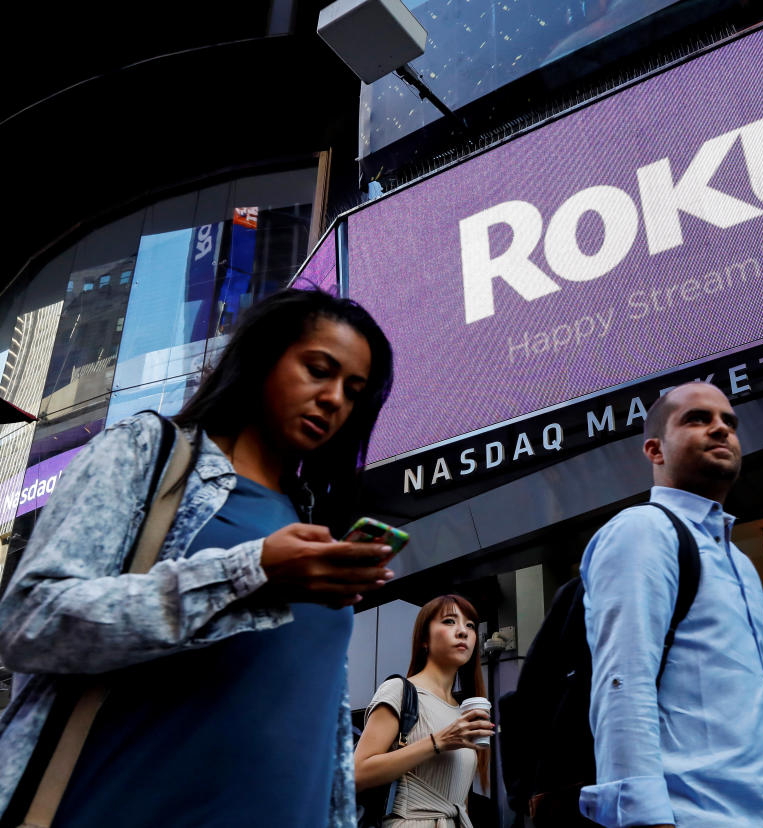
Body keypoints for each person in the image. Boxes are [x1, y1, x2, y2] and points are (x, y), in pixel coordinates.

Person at [0, 288, 395, 828]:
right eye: (318, 370)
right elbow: (28, 620)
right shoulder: (148, 453)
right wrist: (247, 571)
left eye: (354, 391)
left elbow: (319, 738)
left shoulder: (308, 527)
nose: (334, 400)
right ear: (261, 360)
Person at [577, 381, 763, 827]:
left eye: (729, 422)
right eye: (697, 419)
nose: (720, 429)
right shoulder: (643, 531)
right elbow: (623, 684)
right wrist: (648, 820)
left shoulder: (739, 563)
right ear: (655, 450)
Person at [354, 594, 494, 827]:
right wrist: (438, 741)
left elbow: (459, 800)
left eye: (470, 625)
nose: (463, 631)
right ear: (424, 640)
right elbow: (356, 774)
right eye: (449, 621)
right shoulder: (399, 691)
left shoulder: (462, 713)